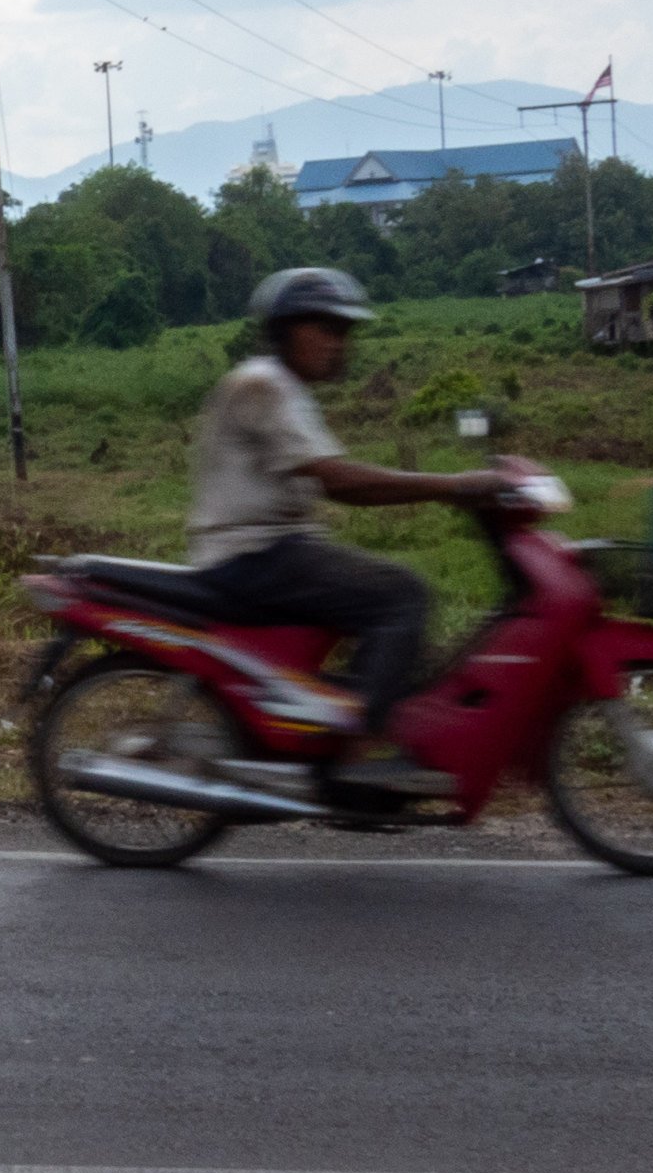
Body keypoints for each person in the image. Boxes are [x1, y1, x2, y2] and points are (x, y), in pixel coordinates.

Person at [187, 268, 503, 796]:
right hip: (253, 553)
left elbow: (331, 476)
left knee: (387, 603)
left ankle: (357, 721)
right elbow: (339, 480)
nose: (339, 344)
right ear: (289, 329)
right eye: (327, 329)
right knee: (402, 596)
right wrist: (452, 485)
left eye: (345, 331)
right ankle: (357, 750)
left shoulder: (284, 386)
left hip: (276, 546)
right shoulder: (264, 386)